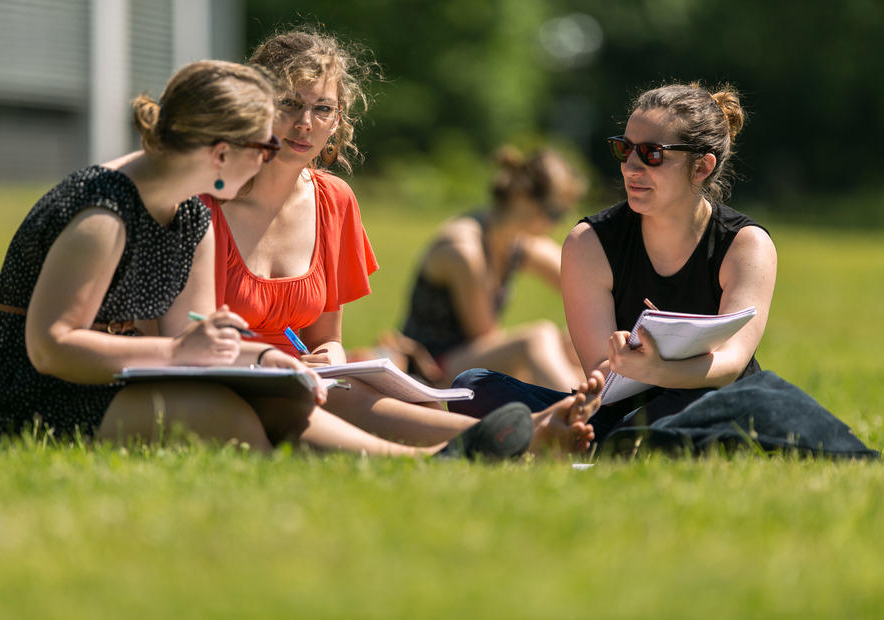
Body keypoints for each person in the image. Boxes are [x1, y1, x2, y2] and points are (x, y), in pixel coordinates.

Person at [203, 28, 602, 457]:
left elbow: (326, 339)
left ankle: (521, 432)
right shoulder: (208, 197)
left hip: (304, 379)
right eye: (289, 104)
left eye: (322, 109)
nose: (305, 124)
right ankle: (463, 450)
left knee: (362, 393)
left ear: (339, 119)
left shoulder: (333, 200)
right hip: (225, 377)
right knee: (304, 401)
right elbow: (185, 339)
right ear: (256, 103)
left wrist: (325, 356)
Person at [0, 60, 285, 449]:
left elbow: (189, 339)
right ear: (220, 154)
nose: (268, 159)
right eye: (267, 147)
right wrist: (180, 351)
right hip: (31, 400)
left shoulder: (192, 217)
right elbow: (51, 348)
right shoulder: (102, 213)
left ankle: (380, 457)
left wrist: (263, 358)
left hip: (111, 381)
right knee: (221, 415)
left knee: (281, 405)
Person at [450, 82, 777, 444]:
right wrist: (617, 367)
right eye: (625, 149)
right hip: (622, 411)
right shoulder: (589, 242)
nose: (631, 167)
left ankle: (609, 440)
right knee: (473, 387)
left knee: (681, 408)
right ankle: (608, 439)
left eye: (652, 153)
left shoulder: (746, 244)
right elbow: (602, 371)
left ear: (701, 167)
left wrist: (657, 368)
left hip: (711, 398)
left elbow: (730, 364)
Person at [400, 146, 588, 391]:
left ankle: (604, 407)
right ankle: (586, 415)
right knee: (538, 339)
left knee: (577, 342)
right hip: (431, 368)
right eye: (554, 212)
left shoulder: (516, 243)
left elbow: (586, 285)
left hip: (469, 361)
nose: (557, 223)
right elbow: (486, 338)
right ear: (523, 197)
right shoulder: (464, 250)